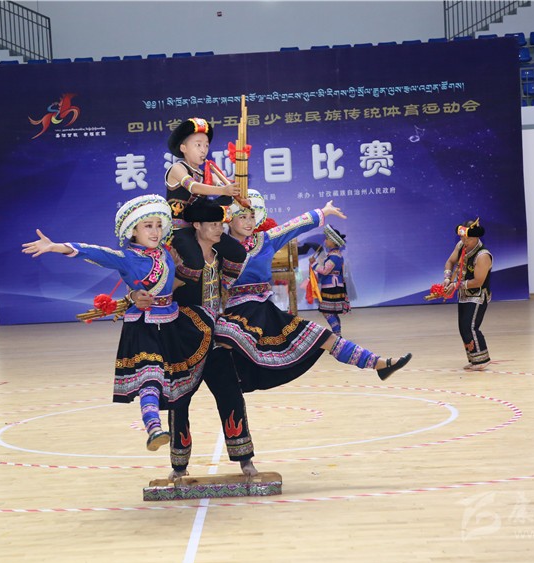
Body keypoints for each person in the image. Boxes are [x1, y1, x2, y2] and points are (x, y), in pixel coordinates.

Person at [22, 194, 214, 454]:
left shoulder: (166, 253)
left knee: (168, 379)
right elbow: (93, 251)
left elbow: (177, 277)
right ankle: (154, 428)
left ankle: (174, 446)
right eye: (148, 226)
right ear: (133, 230)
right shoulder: (126, 257)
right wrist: (55, 246)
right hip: (143, 325)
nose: (155, 231)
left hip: (170, 321)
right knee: (150, 376)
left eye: (158, 225)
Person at [215, 190, 412, 388]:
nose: (249, 222)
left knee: (324, 337)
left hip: (265, 310)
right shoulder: (217, 244)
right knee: (226, 339)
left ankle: (378, 364)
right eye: (242, 217)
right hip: (238, 311)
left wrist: (324, 211)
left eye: (252, 216)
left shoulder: (266, 240)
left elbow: (295, 226)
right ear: (229, 220)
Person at [159, 199, 258, 480]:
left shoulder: (220, 255)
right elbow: (162, 291)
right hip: (184, 339)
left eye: (220, 224)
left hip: (215, 339)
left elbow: (236, 259)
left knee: (231, 395)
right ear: (197, 225)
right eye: (212, 224)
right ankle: (179, 466)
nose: (218, 229)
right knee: (179, 400)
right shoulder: (178, 258)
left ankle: (245, 459)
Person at [165, 117, 248, 286]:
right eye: (198, 145)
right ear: (183, 148)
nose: (203, 150)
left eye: (206, 145)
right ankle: (169, 290)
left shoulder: (206, 173)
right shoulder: (177, 168)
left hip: (200, 228)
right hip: (179, 229)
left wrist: (238, 195)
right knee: (195, 262)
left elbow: (224, 187)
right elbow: (193, 187)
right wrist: (223, 190)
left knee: (238, 252)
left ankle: (223, 287)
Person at [443, 219, 493, 371]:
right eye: (462, 237)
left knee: (470, 326)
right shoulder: (460, 246)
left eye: (468, 238)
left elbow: (478, 281)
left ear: (476, 237)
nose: (464, 241)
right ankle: (474, 359)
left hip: (478, 295)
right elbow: (450, 262)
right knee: (463, 327)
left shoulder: (483, 255)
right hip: (464, 294)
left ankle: (482, 360)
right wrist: (447, 278)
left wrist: (456, 285)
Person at [309, 224, 351, 336]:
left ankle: (337, 334)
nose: (325, 241)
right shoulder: (335, 254)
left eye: (327, 239)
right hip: (334, 285)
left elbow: (325, 270)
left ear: (333, 242)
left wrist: (313, 264)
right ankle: (337, 334)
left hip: (332, 286)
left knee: (327, 311)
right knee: (331, 312)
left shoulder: (334, 256)